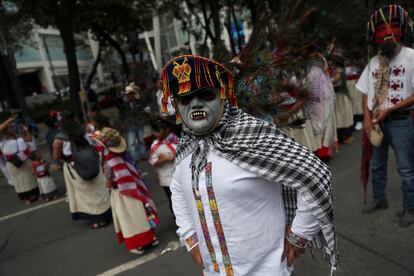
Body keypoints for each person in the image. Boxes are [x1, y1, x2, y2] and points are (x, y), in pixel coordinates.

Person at [161, 55, 337, 275]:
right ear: (177, 107)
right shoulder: (187, 149)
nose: (195, 104)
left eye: (205, 95)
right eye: (186, 99)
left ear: (223, 96)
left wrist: (299, 235)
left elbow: (315, 176)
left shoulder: (255, 137)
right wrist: (190, 238)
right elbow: (178, 189)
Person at [356, 4, 414, 227]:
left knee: (406, 168)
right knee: (377, 164)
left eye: (390, 32)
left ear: (400, 32)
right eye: (381, 34)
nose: (385, 37)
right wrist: (368, 119)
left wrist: (391, 108)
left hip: (401, 122)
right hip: (378, 124)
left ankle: (410, 208)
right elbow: (364, 91)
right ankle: (380, 199)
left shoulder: (411, 57)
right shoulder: (374, 62)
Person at [92, 128, 159, 254]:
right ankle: (150, 238)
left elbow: (108, 184)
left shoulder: (108, 163)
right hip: (134, 188)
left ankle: (138, 243)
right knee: (141, 214)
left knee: (129, 219)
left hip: (121, 193)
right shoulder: (125, 156)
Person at [52, 111, 111, 229]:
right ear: (75, 119)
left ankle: (96, 219)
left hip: (75, 168)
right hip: (92, 162)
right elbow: (97, 144)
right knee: (98, 190)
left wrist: (55, 147)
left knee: (86, 194)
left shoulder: (60, 138)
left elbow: (57, 157)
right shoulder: (86, 131)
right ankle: (106, 214)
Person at [0, 118, 39, 204]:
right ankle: (26, 198)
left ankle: (35, 194)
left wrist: (26, 130)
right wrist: (8, 120)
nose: (12, 129)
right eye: (10, 128)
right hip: (13, 163)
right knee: (20, 181)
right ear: (5, 131)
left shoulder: (17, 136)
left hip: (25, 159)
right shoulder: (3, 140)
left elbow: (29, 139)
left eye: (12, 127)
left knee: (30, 178)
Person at [148, 118, 179, 213]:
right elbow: (154, 161)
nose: (156, 134)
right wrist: (166, 158)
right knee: (173, 200)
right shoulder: (155, 145)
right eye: (155, 131)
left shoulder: (174, 139)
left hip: (179, 174)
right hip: (166, 179)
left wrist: (165, 157)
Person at [117, 83, 148, 162]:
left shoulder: (139, 102)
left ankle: (143, 154)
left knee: (141, 140)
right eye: (128, 94)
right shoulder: (124, 105)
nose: (130, 96)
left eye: (131, 94)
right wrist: (123, 125)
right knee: (132, 142)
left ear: (134, 94)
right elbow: (121, 116)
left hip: (139, 123)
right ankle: (134, 157)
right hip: (130, 125)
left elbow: (144, 111)